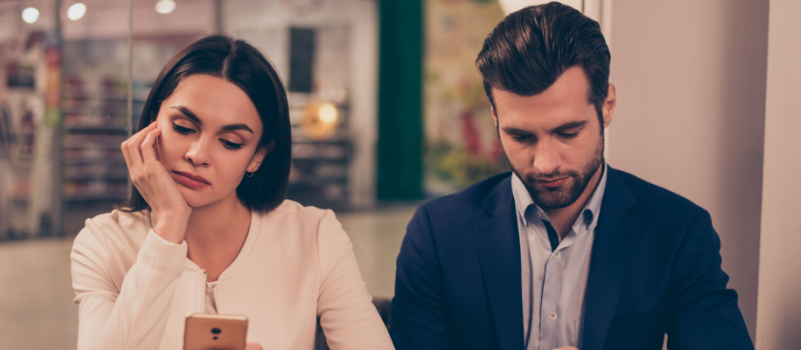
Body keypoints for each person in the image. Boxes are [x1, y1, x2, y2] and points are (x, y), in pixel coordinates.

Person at [390, 3, 753, 350]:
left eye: (567, 132)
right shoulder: (437, 234)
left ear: (607, 106)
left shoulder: (677, 231)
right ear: (495, 118)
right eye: (521, 136)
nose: (546, 163)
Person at [70, 35, 393, 350]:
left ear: (257, 156)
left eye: (230, 142)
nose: (197, 154)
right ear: (153, 122)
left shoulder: (315, 236)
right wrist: (169, 226)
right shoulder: (103, 243)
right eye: (183, 127)